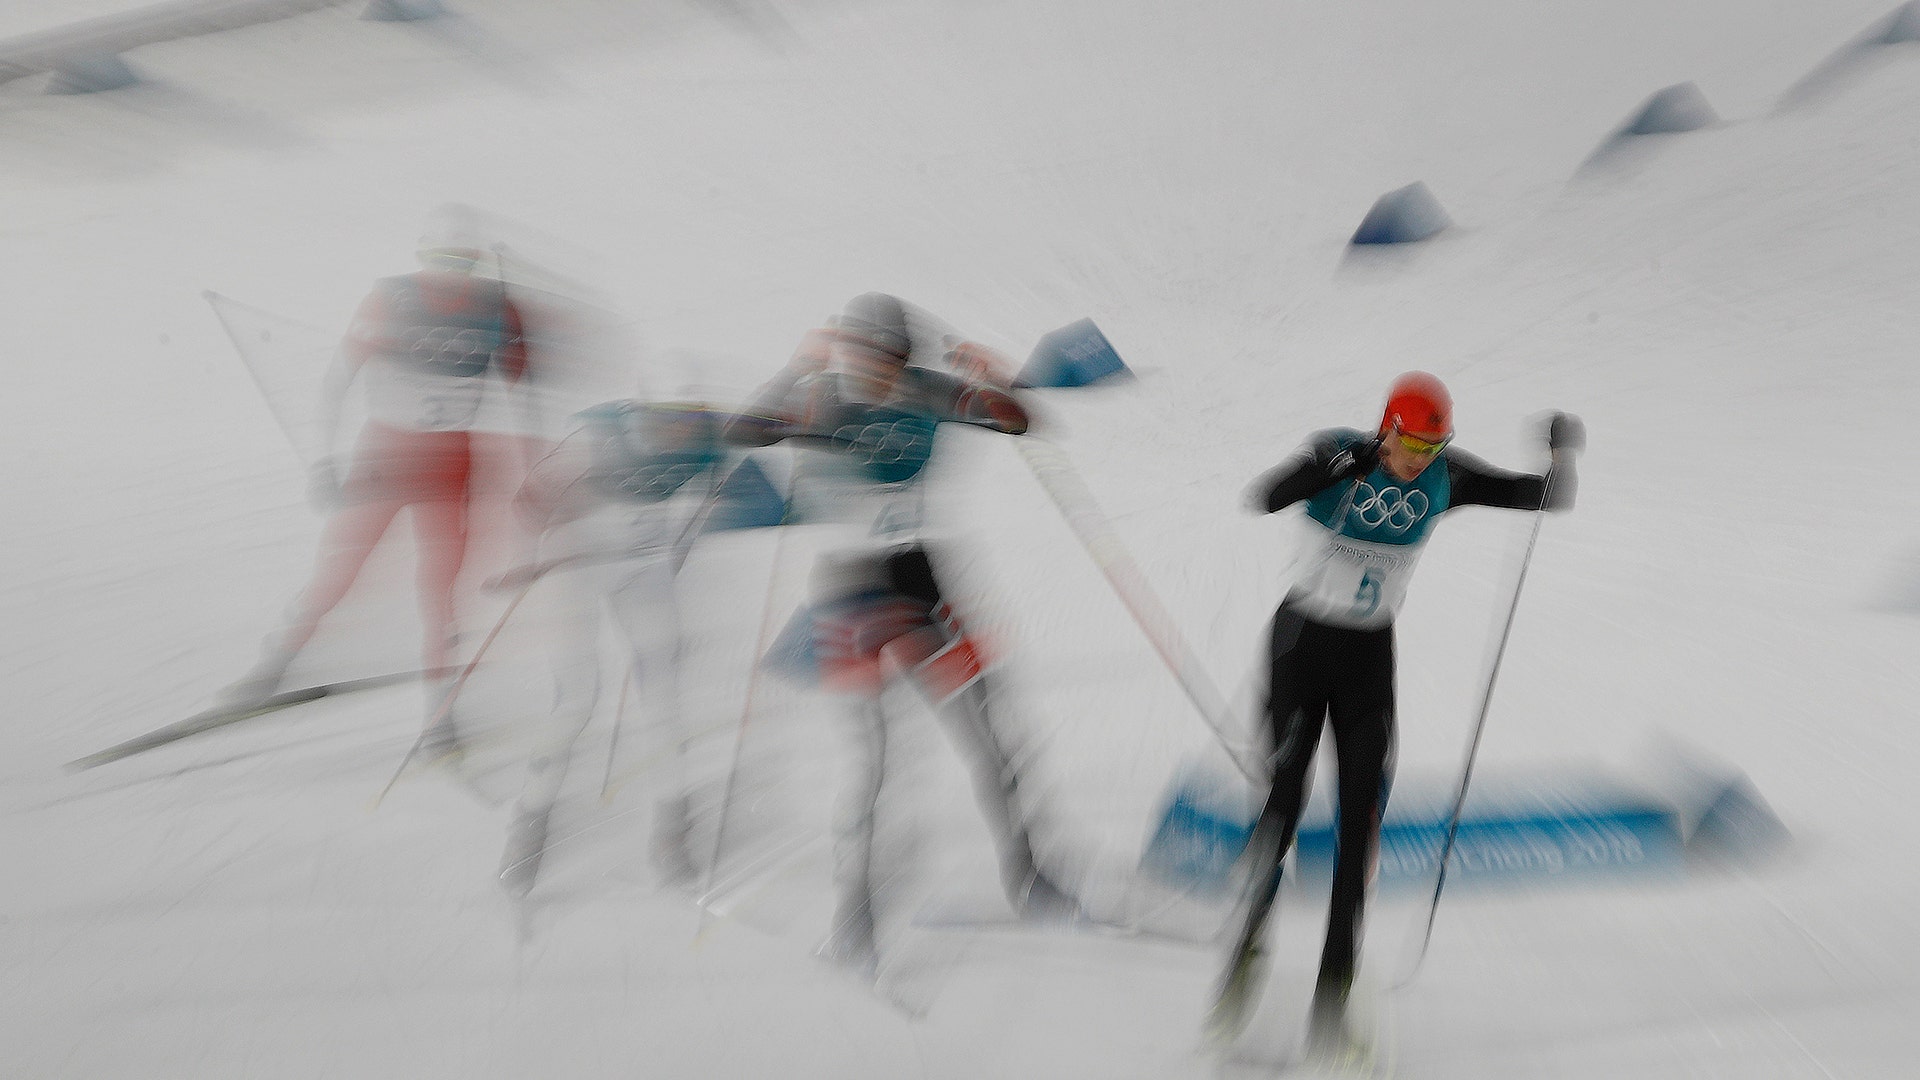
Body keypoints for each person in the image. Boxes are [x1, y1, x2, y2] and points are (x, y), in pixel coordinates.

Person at [1209, 372, 1584, 1051]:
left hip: (1368, 665)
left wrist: (1561, 457)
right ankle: (1242, 959)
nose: (1420, 459)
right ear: (1386, 429)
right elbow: (1264, 498)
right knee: (1284, 802)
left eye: (1433, 447)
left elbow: (1543, 498)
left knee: (1360, 830)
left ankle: (1334, 1000)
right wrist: (1338, 466)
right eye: (1411, 443)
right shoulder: (1338, 454)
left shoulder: (1447, 478)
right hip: (1301, 648)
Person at [726, 292, 1078, 970]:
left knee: (996, 742)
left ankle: (1029, 876)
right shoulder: (822, 397)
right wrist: (794, 372)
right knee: (874, 765)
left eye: (888, 360)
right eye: (866, 356)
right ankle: (853, 917)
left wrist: (992, 376)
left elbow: (1021, 422)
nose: (877, 371)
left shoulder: (926, 390)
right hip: (851, 593)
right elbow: (744, 431)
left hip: (923, 583)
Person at [223, 204, 545, 755]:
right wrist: (324, 462)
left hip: (449, 462)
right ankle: (274, 665)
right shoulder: (394, 299)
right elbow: (337, 381)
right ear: (423, 256)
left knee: (440, 590)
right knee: (339, 571)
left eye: (461, 261)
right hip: (387, 456)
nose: (450, 271)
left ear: (474, 262)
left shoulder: (500, 309)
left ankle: (439, 714)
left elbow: (524, 397)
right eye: (442, 259)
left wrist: (533, 471)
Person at [496, 398, 737, 898]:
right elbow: (530, 499)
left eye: (682, 421)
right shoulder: (597, 436)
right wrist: (529, 561)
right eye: (660, 421)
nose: (672, 430)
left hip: (643, 564)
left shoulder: (708, 439)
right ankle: (530, 822)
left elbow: (712, 494)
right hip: (577, 559)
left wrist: (675, 555)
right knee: (577, 700)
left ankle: (672, 833)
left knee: (664, 702)